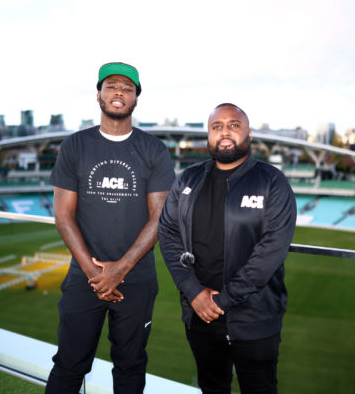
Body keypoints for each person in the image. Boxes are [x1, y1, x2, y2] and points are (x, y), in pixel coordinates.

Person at [45, 62, 175, 394]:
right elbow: (63, 216)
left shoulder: (154, 150)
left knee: (130, 366)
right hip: (84, 277)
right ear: (99, 94)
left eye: (127, 88)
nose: (119, 92)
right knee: (69, 364)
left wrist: (121, 269)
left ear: (136, 98)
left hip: (137, 278)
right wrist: (95, 272)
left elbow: (159, 217)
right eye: (112, 86)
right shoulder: (75, 145)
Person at [158, 103, 297, 394]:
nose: (224, 132)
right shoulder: (187, 179)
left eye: (233, 125)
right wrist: (193, 292)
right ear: (208, 135)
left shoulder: (272, 181)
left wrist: (222, 301)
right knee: (212, 388)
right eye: (216, 126)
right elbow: (168, 232)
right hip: (199, 316)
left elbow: (271, 250)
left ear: (249, 133)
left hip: (254, 319)